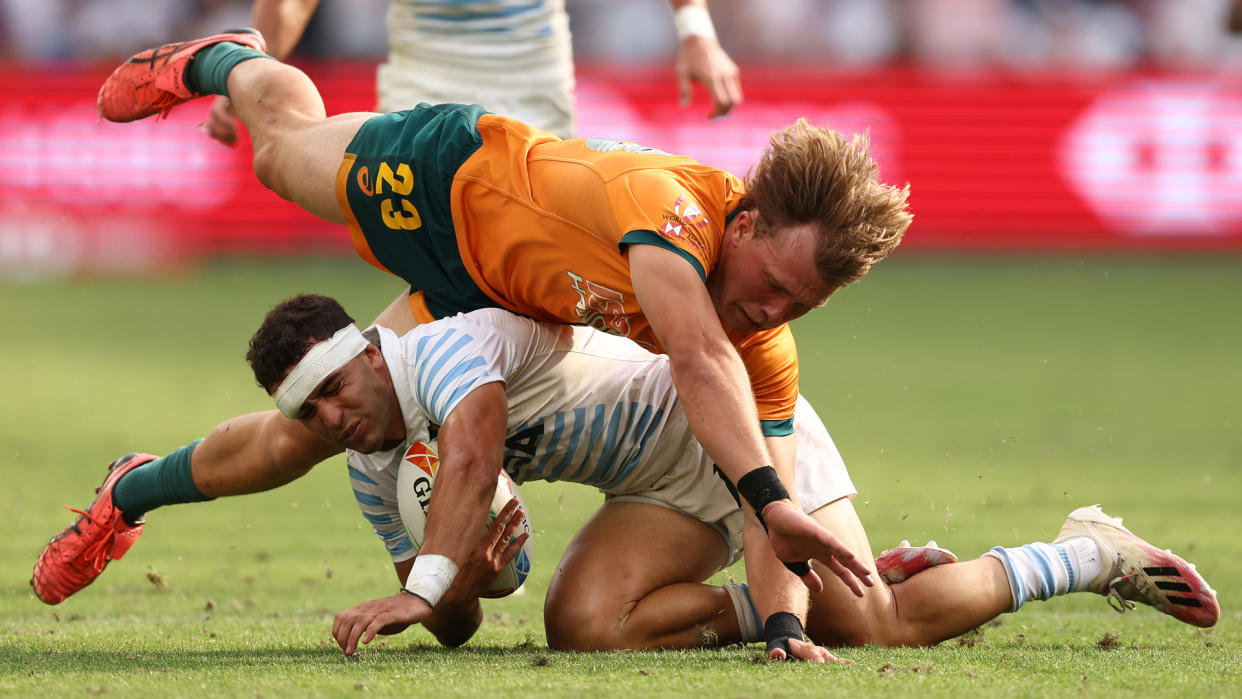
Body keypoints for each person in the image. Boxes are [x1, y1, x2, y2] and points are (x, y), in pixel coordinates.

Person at [37, 27, 913, 653]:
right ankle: (224, 59)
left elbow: (768, 475)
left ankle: (130, 489)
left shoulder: (757, 334)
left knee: (309, 428)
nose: (769, 314)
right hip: (447, 187)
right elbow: (697, 359)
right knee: (277, 155)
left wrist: (789, 620)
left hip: (487, 303)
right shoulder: (674, 212)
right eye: (771, 286)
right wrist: (768, 498)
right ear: (748, 219)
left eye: (800, 306)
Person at [246, 294, 1217, 657]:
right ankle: (802, 591)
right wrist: (453, 588)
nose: (333, 418)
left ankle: (1087, 553)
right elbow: (453, 627)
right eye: (310, 415)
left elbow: (471, 449)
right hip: (661, 490)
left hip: (738, 438)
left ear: (373, 353)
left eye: (335, 388)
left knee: (880, 627)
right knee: (581, 627)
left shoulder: (446, 355)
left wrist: (425, 577)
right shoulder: (372, 467)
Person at [206, 0, 743, 145]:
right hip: (424, 71)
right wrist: (253, 72)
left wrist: (697, 30)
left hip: (529, 73)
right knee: (439, 265)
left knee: (533, 268)